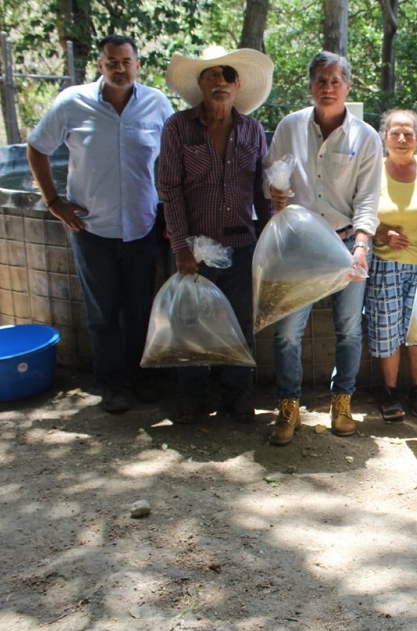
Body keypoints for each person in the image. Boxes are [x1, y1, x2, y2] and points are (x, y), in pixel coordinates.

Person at [26, 35, 173, 414]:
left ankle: (140, 378)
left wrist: (175, 211)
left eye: (126, 61)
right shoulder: (71, 102)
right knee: (103, 313)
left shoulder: (157, 104)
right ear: (100, 65)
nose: (119, 69)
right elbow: (37, 147)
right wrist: (54, 201)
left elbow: (174, 158)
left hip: (142, 226)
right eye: (112, 62)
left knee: (140, 310)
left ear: (137, 64)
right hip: (92, 230)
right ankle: (111, 385)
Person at [264, 51, 382, 445]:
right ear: (310, 85)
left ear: (348, 86)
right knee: (286, 331)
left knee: (348, 329)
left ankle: (342, 402)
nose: (327, 88)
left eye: (335, 81)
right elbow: (270, 177)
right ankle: (288, 406)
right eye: (320, 80)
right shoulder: (289, 126)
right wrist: (274, 192)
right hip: (299, 245)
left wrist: (361, 246)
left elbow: (368, 198)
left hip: (347, 242)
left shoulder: (366, 137)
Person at [157, 46, 273, 425]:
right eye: (212, 74)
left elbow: (262, 190)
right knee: (191, 321)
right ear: (201, 83)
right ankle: (192, 397)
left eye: (227, 75)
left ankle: (238, 395)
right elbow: (169, 187)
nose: (220, 81)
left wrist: (270, 237)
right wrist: (180, 246)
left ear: (237, 85)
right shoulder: (178, 127)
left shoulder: (253, 130)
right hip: (194, 249)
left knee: (239, 323)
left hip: (242, 246)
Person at [366, 109, 417, 422]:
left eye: (408, 133)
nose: (401, 138)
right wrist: (381, 232)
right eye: (395, 132)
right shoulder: (373, 169)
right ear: (384, 137)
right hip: (386, 263)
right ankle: (390, 392)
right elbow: (356, 210)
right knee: (387, 330)